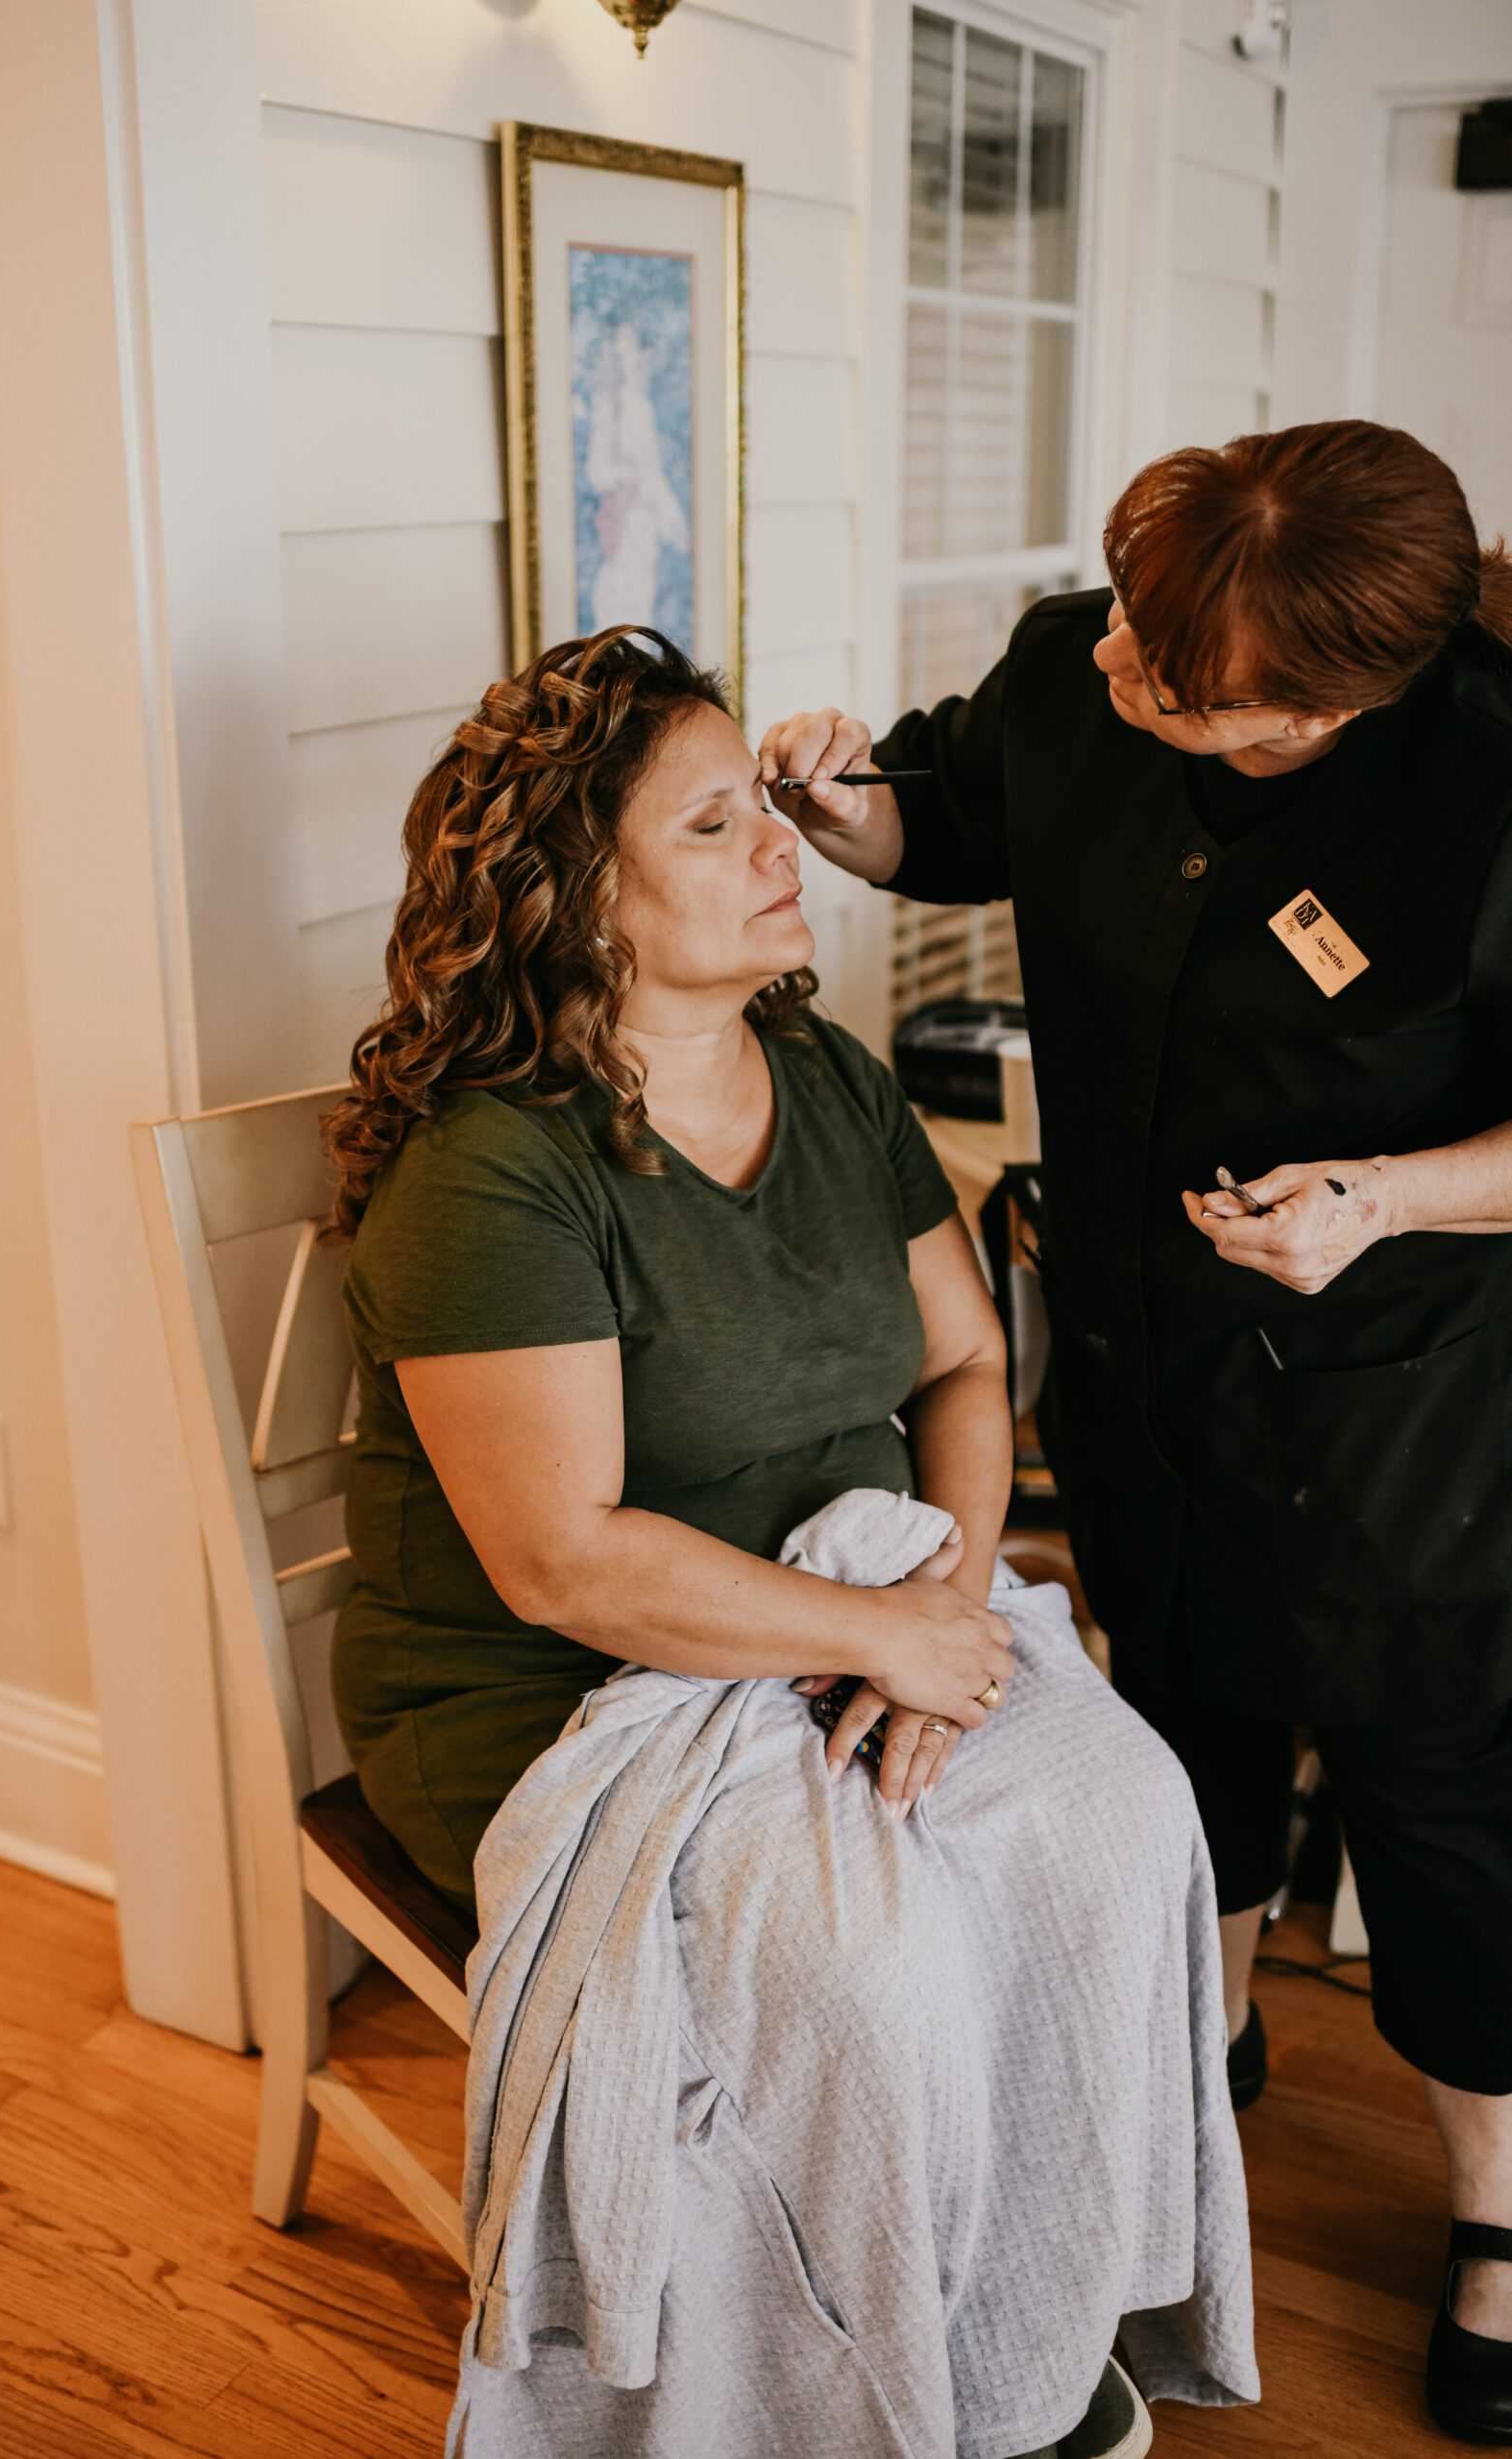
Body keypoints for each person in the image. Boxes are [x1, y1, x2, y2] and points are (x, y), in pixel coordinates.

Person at [324, 626, 1256, 2456]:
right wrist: (884, 1641)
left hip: (856, 1609)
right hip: (560, 1695)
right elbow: (565, 1563)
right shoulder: (497, 1166)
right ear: (578, 900)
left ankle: (1018, 2320)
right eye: (713, 824)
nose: (782, 848)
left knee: (1119, 1821)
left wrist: (942, 1600)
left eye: (764, 802)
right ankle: (849, 2401)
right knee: (869, 1968)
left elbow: (972, 1358)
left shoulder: (822, 1077)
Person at [759, 419, 1512, 2447]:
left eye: (1170, 685)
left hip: (1403, 1400)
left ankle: (1498, 2216)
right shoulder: (1085, 654)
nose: (1106, 672)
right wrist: (844, 807)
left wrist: (1382, 1195)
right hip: (1133, 1345)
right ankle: (1205, 2046)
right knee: (1181, 1711)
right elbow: (944, 812)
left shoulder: (1490, 780)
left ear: (1324, 708)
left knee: (1435, 1784)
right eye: (1117, 626)